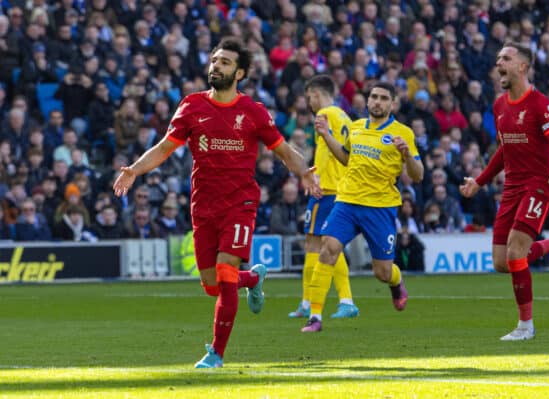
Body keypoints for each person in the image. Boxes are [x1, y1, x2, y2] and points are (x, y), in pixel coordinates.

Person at [113, 37, 319, 367]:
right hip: (203, 205)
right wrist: (134, 170)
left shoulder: (252, 112)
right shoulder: (192, 105)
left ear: (240, 73)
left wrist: (303, 173)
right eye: (214, 60)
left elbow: (281, 149)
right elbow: (166, 147)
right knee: (213, 286)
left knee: (225, 275)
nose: (216, 66)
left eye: (224, 62)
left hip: (240, 203)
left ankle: (217, 353)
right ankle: (252, 279)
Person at [460, 41, 549, 342]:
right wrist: (479, 181)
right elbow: (503, 150)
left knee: (515, 251)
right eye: (498, 57)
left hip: (539, 185)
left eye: (506, 58)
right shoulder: (499, 106)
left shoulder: (540, 104)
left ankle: (526, 326)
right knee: (502, 262)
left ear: (522, 67)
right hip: (511, 187)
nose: (499, 62)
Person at [302, 82, 424, 332]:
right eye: (374, 97)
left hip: (380, 207)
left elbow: (418, 175)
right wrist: (327, 136)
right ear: (367, 101)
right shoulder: (356, 128)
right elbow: (346, 158)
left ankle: (396, 282)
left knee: (382, 272)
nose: (377, 102)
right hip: (347, 201)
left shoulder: (403, 133)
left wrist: (408, 156)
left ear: (392, 104)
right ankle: (315, 317)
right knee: (328, 248)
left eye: (383, 98)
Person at [288, 74, 359, 320]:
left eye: (309, 97)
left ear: (317, 94)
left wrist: (317, 178)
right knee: (314, 245)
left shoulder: (324, 115)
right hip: (339, 187)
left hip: (328, 189)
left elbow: (329, 152)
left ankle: (344, 300)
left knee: (325, 246)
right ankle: (308, 301)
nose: (309, 102)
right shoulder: (345, 117)